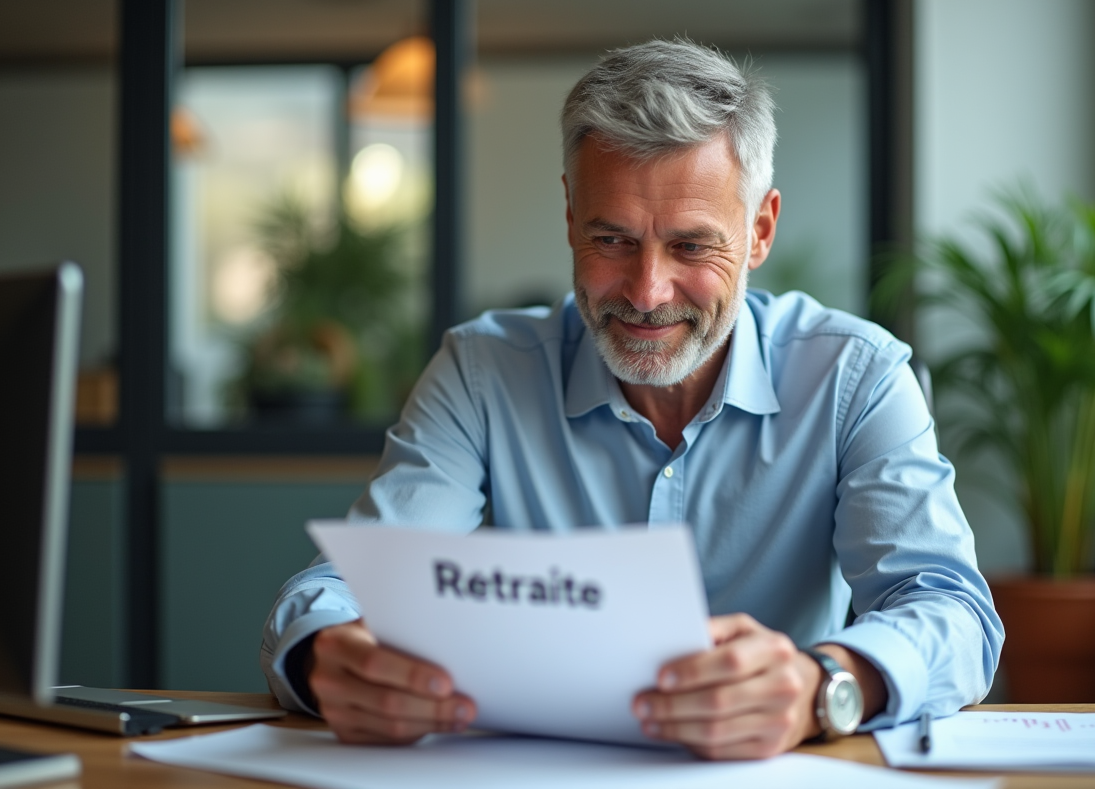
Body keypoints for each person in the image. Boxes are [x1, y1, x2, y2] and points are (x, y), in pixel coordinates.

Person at [261, 38, 1003, 760]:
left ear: (760, 230)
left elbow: (953, 612)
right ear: (569, 218)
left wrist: (826, 682)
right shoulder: (482, 372)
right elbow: (343, 589)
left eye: (690, 246)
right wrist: (327, 660)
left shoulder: (857, 377)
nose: (647, 293)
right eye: (612, 240)